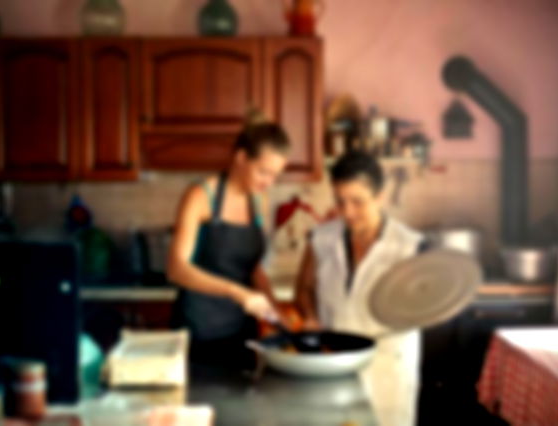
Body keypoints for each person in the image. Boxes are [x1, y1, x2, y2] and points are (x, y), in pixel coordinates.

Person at [295, 151, 424, 426]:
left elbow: (426, 307)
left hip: (388, 368)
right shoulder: (321, 238)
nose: (347, 212)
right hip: (333, 364)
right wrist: (310, 316)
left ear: (380, 197)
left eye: (357, 202)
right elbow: (304, 289)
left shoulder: (409, 247)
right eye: (340, 201)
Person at [167, 120, 290, 366]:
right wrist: (237, 292)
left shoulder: (259, 201)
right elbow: (176, 268)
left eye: (275, 175)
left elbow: (252, 268)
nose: (269, 182)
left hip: (242, 332)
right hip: (198, 333)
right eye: (263, 172)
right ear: (241, 158)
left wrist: (275, 310)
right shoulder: (201, 196)